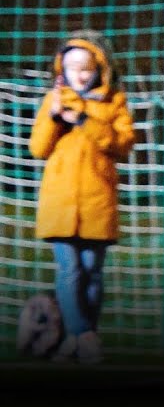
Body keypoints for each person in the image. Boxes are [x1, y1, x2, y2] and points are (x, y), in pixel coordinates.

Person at [28, 30, 137, 363]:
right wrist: (54, 118)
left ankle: (79, 337)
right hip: (60, 202)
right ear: (62, 69)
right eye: (72, 67)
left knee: (92, 272)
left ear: (99, 69)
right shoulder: (54, 100)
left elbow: (122, 144)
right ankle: (82, 334)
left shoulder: (114, 101)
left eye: (86, 68)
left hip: (97, 201)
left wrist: (83, 119)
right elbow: (38, 148)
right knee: (70, 270)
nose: (79, 74)